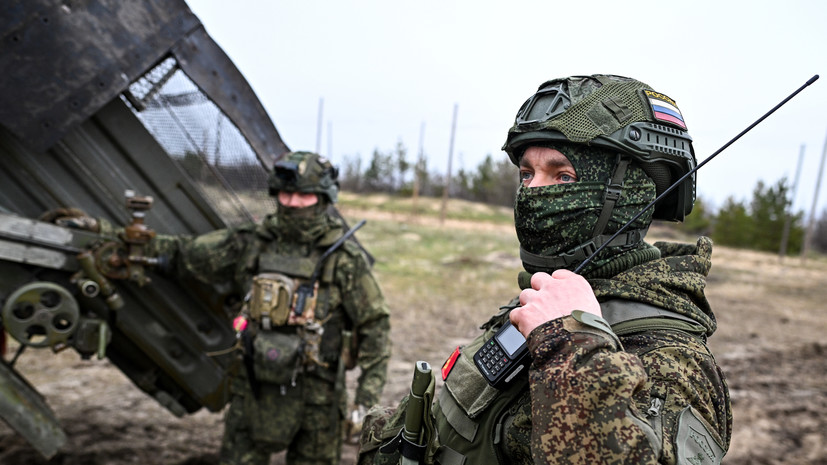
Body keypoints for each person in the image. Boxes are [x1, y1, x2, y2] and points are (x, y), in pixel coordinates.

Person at [358, 74, 731, 465]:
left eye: (562, 176)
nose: (533, 192)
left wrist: (566, 342)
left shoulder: (674, 360)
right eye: (527, 174)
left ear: (630, 195)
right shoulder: (547, 296)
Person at [147, 151, 391, 465]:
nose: (293, 203)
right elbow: (186, 254)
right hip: (253, 388)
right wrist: (124, 241)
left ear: (322, 198)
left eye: (304, 195)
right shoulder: (250, 243)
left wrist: (366, 402)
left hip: (319, 401)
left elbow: (376, 328)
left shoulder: (343, 259)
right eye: (287, 194)